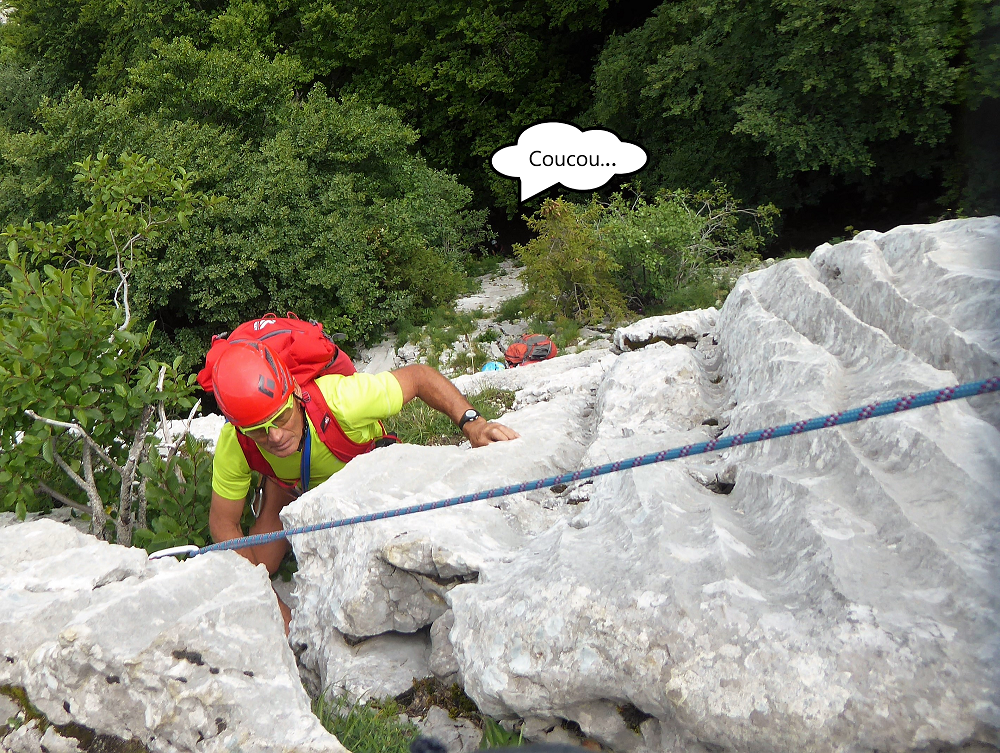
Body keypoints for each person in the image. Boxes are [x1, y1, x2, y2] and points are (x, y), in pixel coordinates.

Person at [206, 341, 520, 633]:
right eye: (259, 430)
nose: (275, 436)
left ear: (296, 394)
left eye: (282, 417)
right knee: (261, 563)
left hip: (365, 475)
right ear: (240, 428)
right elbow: (222, 523)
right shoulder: (236, 442)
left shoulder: (342, 399)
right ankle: (279, 501)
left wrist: (474, 423)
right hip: (292, 487)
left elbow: (419, 377)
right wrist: (273, 606)